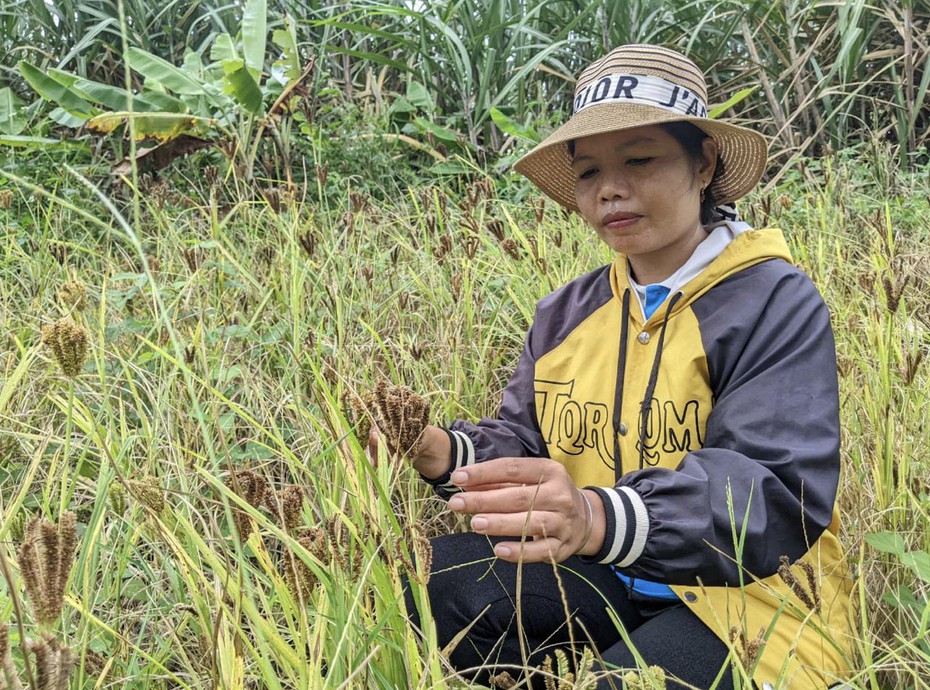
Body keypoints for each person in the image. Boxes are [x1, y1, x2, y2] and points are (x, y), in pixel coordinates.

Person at [384, 44, 854, 689]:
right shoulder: (568, 312)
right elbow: (528, 442)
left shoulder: (770, 299)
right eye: (589, 173)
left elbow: (773, 490)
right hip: (604, 572)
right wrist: (441, 451)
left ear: (704, 161)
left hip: (748, 598)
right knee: (426, 589)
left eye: (640, 159)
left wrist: (600, 516)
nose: (610, 190)